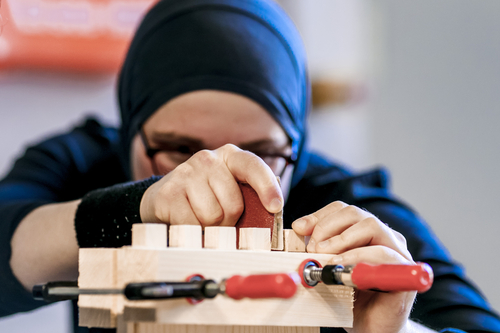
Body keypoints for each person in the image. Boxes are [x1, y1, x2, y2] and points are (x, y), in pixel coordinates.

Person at [0, 0, 499, 333]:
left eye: (260, 154)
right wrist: (137, 205)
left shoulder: (340, 207)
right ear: (133, 126)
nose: (224, 180)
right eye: (180, 152)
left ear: (296, 146)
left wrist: (398, 328)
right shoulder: (82, 160)